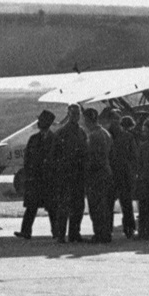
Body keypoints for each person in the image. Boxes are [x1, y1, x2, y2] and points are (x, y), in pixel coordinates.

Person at [17, 109, 61, 239]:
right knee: (31, 207)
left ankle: (56, 232)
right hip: (35, 179)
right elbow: (27, 158)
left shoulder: (55, 139)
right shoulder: (33, 139)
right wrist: (28, 174)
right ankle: (25, 231)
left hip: (48, 179)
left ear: (47, 122)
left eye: (41, 120)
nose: (39, 123)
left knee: (52, 208)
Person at [53, 103, 87, 242]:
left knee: (78, 206)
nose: (76, 117)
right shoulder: (61, 133)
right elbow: (54, 155)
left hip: (78, 174)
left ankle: (74, 233)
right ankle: (61, 235)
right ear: (68, 114)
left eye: (78, 114)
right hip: (65, 174)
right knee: (64, 206)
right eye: (73, 114)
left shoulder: (82, 132)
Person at [82, 107, 114, 243]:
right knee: (105, 205)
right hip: (106, 172)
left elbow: (91, 157)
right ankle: (105, 233)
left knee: (96, 206)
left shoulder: (93, 136)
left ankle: (99, 234)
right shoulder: (105, 133)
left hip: (96, 174)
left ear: (88, 120)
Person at [109, 114, 138, 239]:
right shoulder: (127, 137)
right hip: (123, 173)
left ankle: (108, 228)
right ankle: (129, 227)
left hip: (113, 172)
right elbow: (134, 155)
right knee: (126, 202)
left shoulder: (107, 135)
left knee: (110, 202)